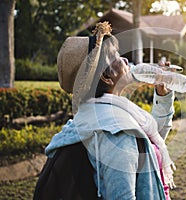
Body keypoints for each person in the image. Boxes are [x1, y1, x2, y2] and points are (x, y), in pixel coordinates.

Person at [35, 21, 176, 200]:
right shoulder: (115, 131)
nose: (125, 59)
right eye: (117, 56)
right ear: (106, 77)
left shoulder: (99, 114)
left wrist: (163, 96)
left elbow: (147, 145)